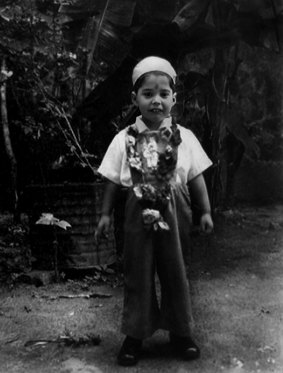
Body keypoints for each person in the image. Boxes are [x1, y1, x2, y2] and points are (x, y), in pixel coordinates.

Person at [95, 56, 214, 366]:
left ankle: (181, 332)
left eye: (164, 94)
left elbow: (196, 177)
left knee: (176, 271)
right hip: (137, 214)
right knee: (138, 273)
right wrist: (106, 214)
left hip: (176, 214)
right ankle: (135, 335)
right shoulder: (123, 140)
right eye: (148, 94)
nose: (156, 101)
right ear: (135, 99)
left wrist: (205, 212)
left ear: (174, 98)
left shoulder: (184, 137)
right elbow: (109, 179)